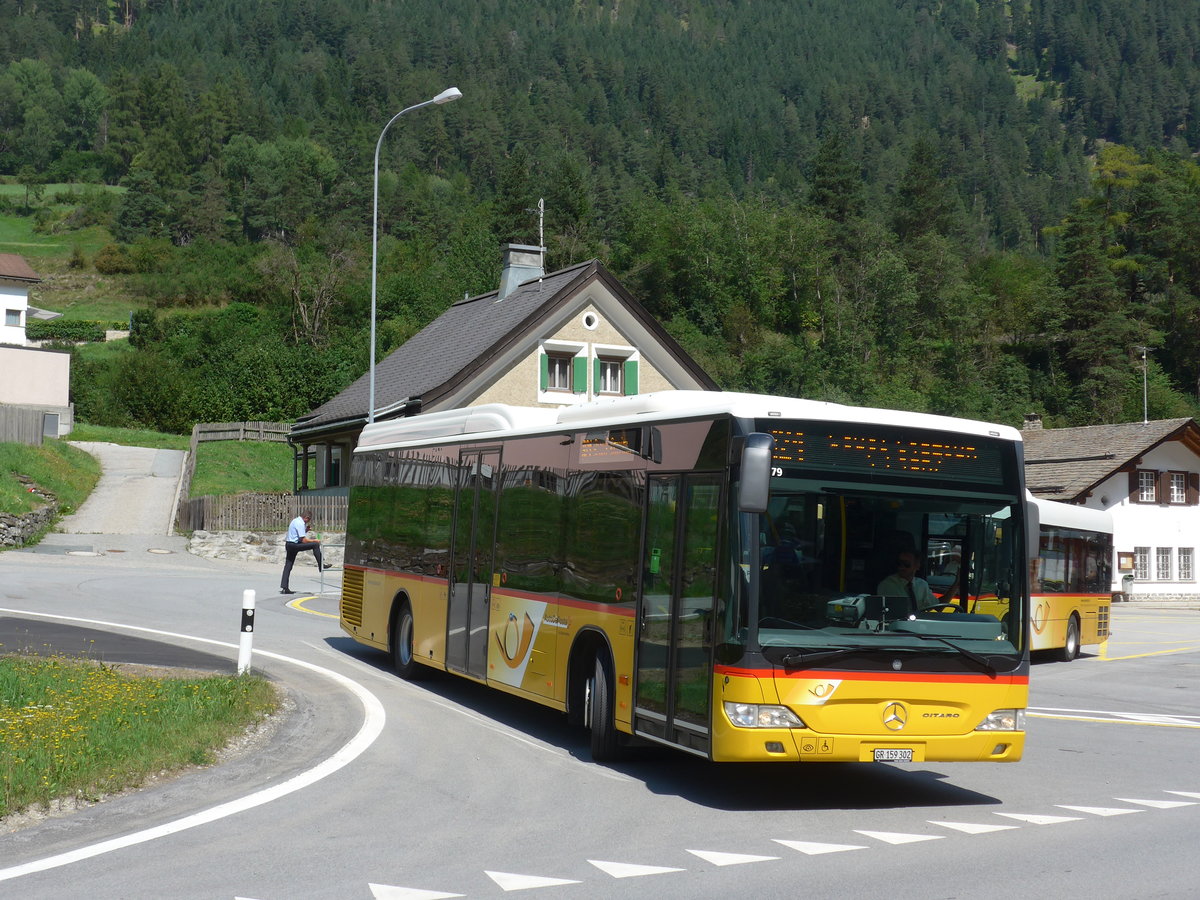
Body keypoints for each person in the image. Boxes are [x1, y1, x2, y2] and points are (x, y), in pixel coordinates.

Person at [280, 511, 333, 594]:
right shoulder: (300, 523)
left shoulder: (295, 520)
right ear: (306, 518)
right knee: (315, 545)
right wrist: (314, 540)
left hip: (289, 544)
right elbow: (303, 540)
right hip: (294, 545)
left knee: (288, 565)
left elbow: (297, 535)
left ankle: (284, 587)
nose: (308, 522)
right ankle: (321, 564)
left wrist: (305, 530)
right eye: (308, 520)